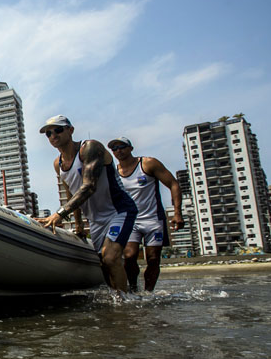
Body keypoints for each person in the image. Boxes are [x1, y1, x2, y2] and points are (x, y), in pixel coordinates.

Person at [36, 115, 137, 292]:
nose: (53, 135)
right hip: (95, 220)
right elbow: (70, 193)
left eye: (58, 130)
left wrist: (59, 214)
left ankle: (125, 303)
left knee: (110, 258)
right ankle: (120, 297)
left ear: (71, 130)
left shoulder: (90, 148)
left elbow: (89, 186)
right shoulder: (57, 164)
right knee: (104, 265)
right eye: (49, 133)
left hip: (118, 211)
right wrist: (79, 225)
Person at [108, 136, 184, 291]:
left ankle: (149, 292)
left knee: (153, 258)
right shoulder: (114, 174)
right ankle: (134, 288)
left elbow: (173, 184)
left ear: (130, 148)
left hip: (153, 219)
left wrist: (177, 212)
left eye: (121, 147)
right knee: (129, 257)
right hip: (131, 221)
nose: (118, 151)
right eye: (114, 149)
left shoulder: (148, 164)